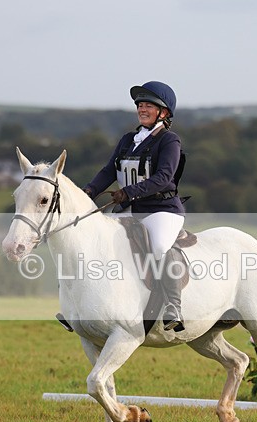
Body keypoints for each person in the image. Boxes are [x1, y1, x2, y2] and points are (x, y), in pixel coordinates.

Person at [82, 81, 186, 332]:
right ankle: (83, 306)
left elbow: (163, 178)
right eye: (140, 104)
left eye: (149, 105)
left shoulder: (169, 141)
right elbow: (109, 170)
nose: (142, 108)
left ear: (164, 113)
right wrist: (88, 192)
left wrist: (128, 192)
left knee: (160, 245)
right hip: (128, 210)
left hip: (161, 210)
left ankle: (173, 306)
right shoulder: (129, 139)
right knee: (97, 243)